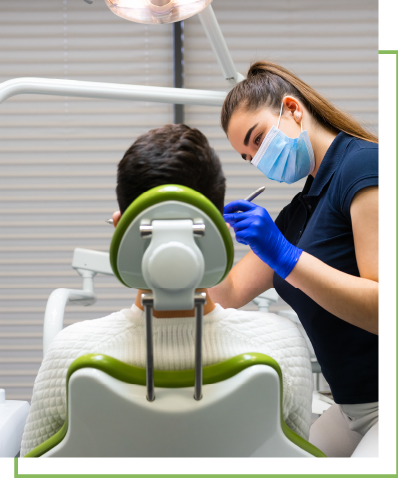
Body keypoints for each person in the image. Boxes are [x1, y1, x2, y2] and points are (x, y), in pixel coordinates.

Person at [20, 124, 313, 457]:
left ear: (120, 229)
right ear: (217, 230)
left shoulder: (69, 357)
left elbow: (34, 466)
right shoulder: (282, 349)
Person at [210, 61, 378, 456]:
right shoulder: (299, 210)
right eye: (248, 157)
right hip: (351, 407)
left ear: (292, 109)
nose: (257, 159)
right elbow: (228, 293)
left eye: (258, 139)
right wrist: (197, 242)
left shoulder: (364, 166)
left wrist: (286, 255)